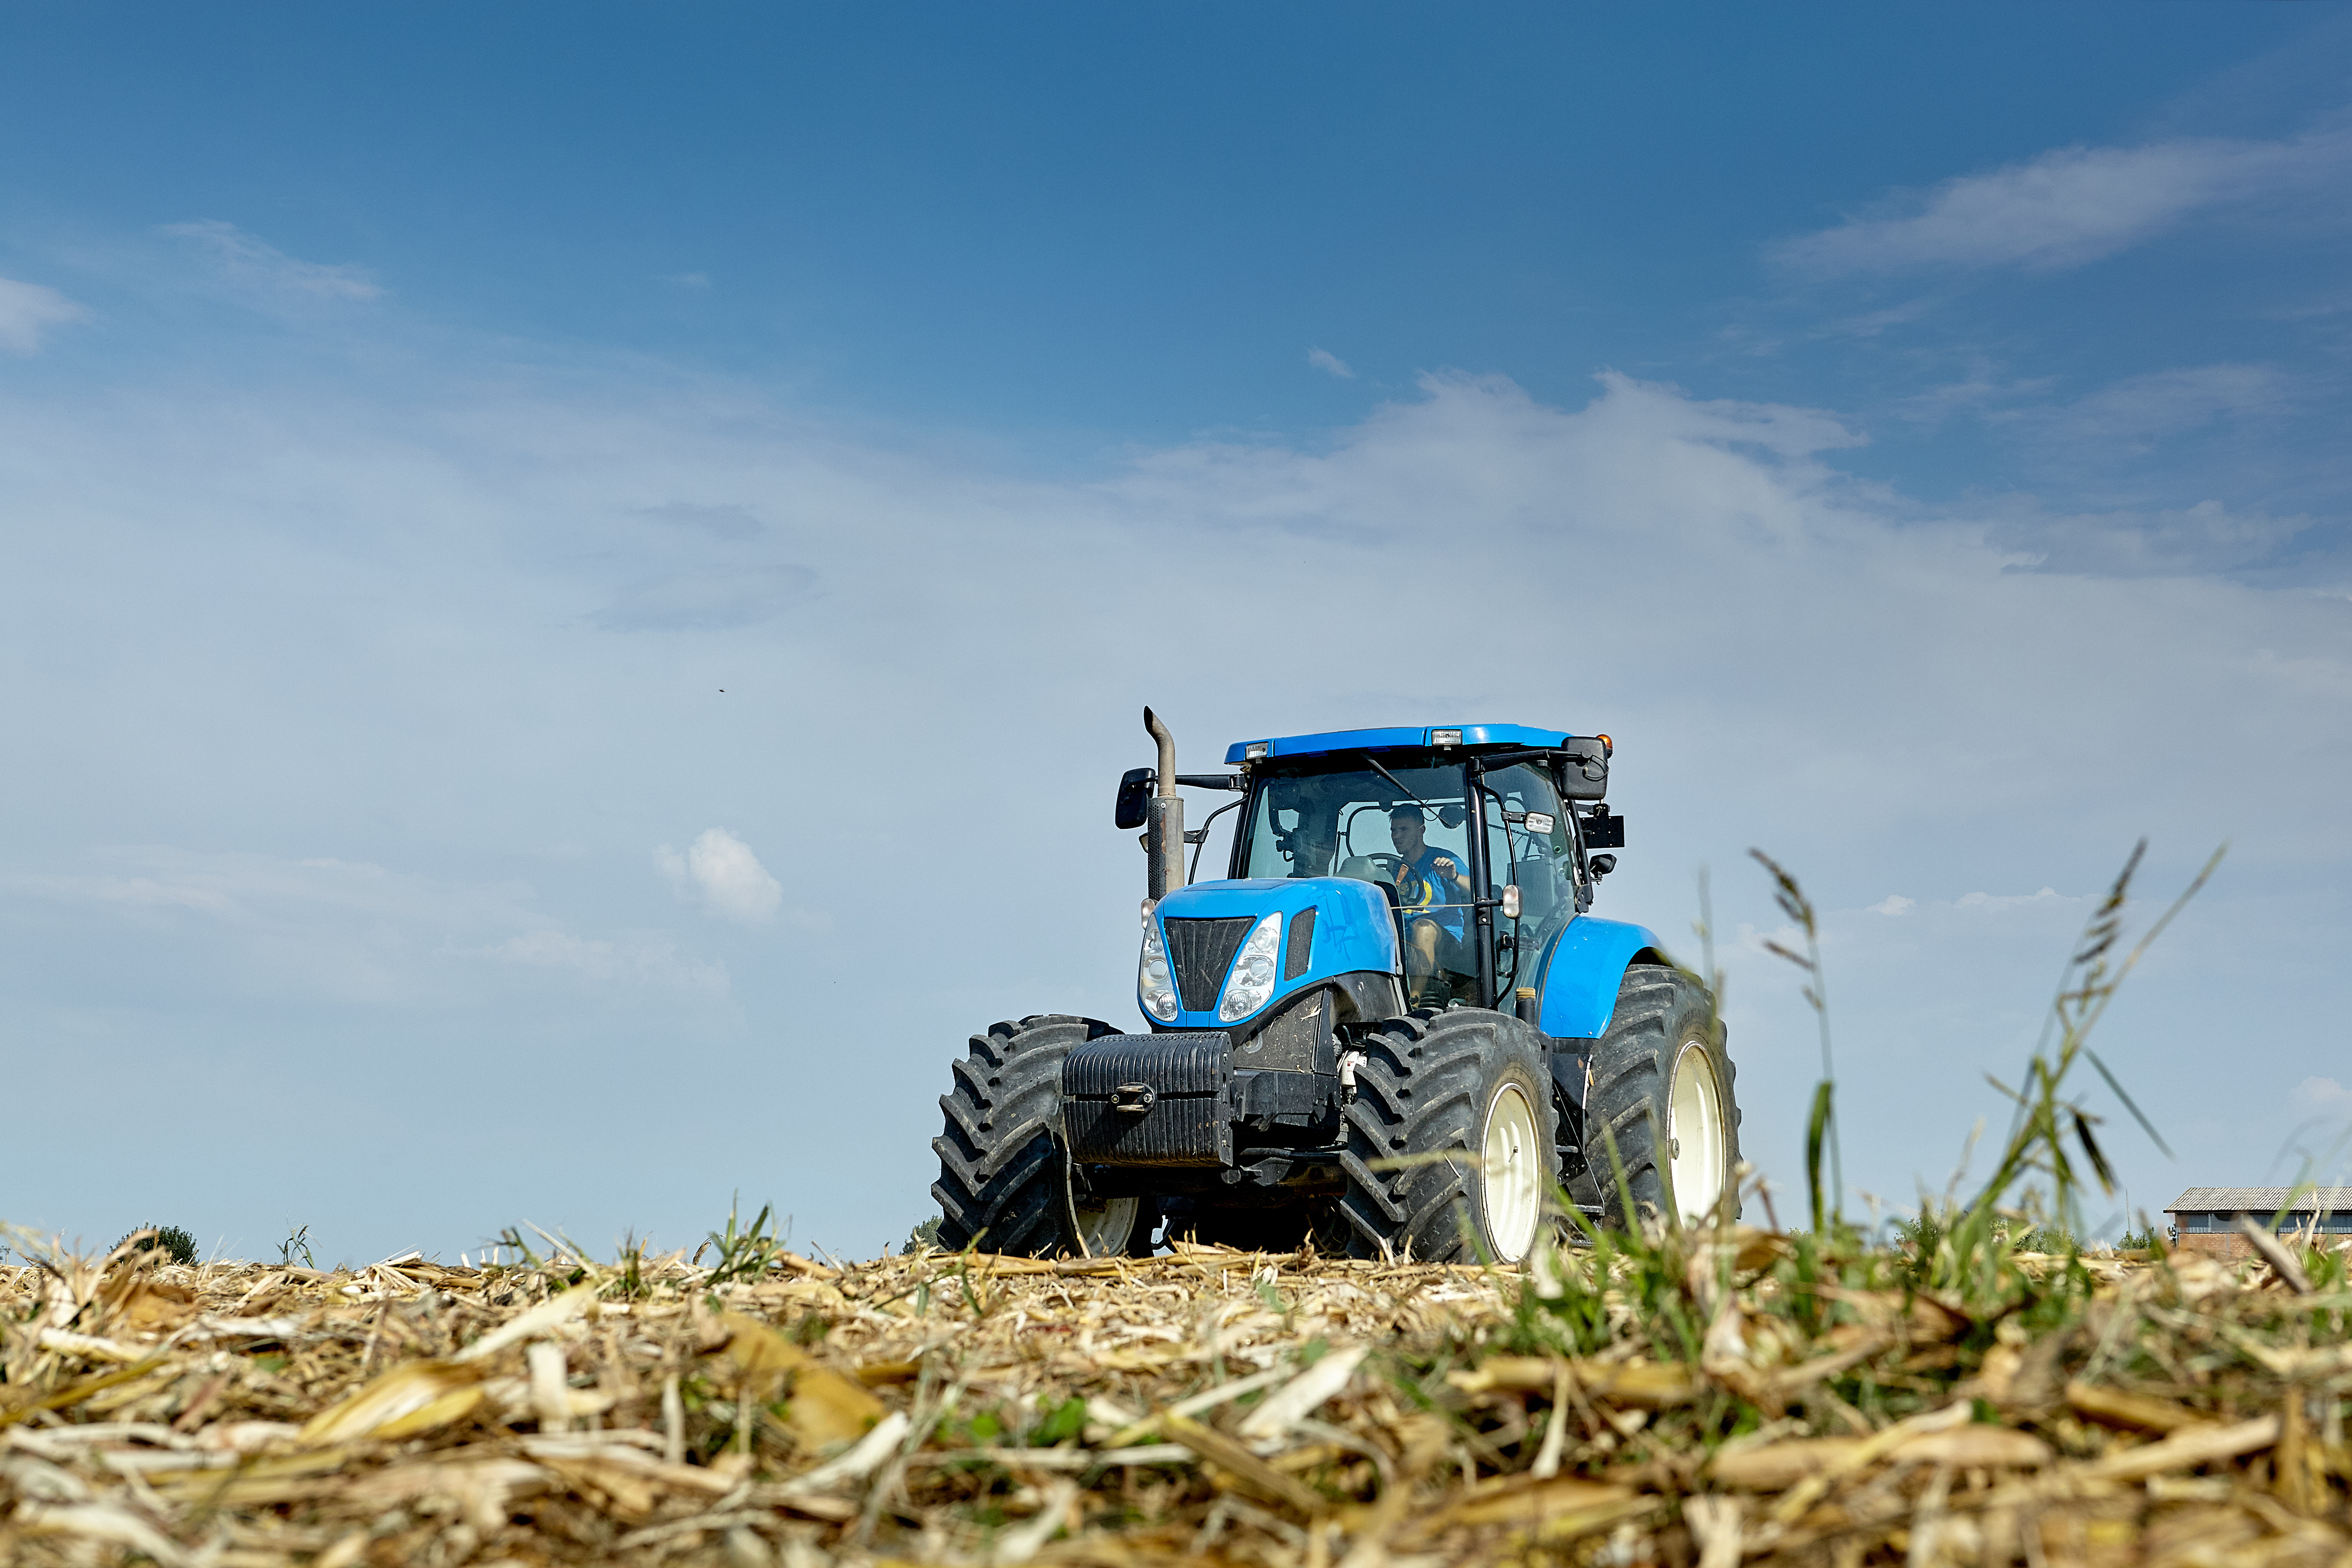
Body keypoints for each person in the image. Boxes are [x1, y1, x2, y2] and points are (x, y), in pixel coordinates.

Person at [1390, 805, 1473, 1005]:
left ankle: (1413, 1001)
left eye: (1404, 830)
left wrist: (1453, 876)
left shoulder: (1443, 861)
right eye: (1394, 830)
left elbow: (1477, 889)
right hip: (1403, 937)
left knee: (1423, 928)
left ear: (1422, 830)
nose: (1397, 836)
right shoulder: (1394, 868)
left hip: (1445, 940)